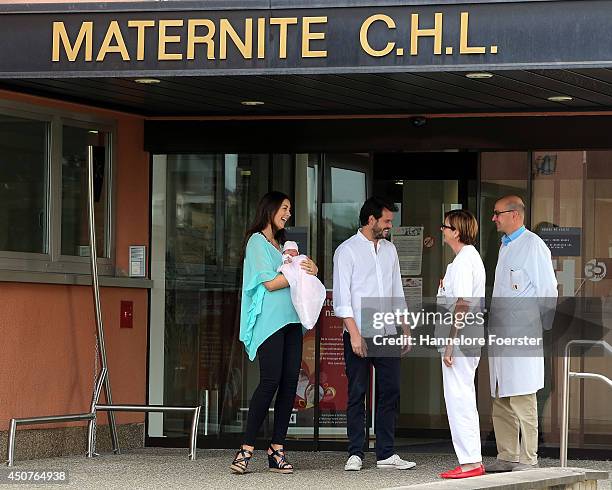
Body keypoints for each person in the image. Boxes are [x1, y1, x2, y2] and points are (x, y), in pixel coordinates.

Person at [231, 191, 318, 475]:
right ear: (269, 209)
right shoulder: (257, 242)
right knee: (269, 382)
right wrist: (298, 273)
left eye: (290, 209)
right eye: (284, 208)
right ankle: (246, 449)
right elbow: (268, 283)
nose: (288, 214)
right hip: (270, 323)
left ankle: (277, 448)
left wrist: (311, 269)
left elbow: (293, 274)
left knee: (290, 383)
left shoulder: (281, 244)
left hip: (292, 322)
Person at [333, 196, 416, 472]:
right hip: (359, 332)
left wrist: (405, 327)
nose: (390, 225)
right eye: (387, 221)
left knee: (390, 391)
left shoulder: (390, 250)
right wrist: (354, 335)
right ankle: (355, 452)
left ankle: (386, 454)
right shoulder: (347, 251)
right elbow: (342, 298)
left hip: (387, 329)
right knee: (357, 392)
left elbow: (396, 291)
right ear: (371, 220)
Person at [486, 195, 558, 473]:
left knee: (523, 396)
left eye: (497, 213)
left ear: (514, 214)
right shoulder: (504, 246)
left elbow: (548, 290)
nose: (494, 218)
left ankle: (528, 458)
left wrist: (541, 327)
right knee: (501, 396)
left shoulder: (533, 246)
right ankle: (507, 455)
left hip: (523, 333)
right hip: (501, 334)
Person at [437, 210, 486, 479]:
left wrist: (450, 343)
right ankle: (470, 459)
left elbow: (463, 303)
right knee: (460, 395)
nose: (442, 230)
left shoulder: (466, 260)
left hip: (461, 337)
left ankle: (470, 462)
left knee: (459, 397)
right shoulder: (463, 260)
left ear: (456, 231)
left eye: (445, 226)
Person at [277, 241, 326, 330]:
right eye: (288, 250)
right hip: (283, 313)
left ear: (298, 253)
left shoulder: (302, 258)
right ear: (283, 253)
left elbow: (306, 269)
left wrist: (314, 270)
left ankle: (309, 318)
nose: (291, 253)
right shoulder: (283, 259)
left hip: (305, 289)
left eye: (293, 251)